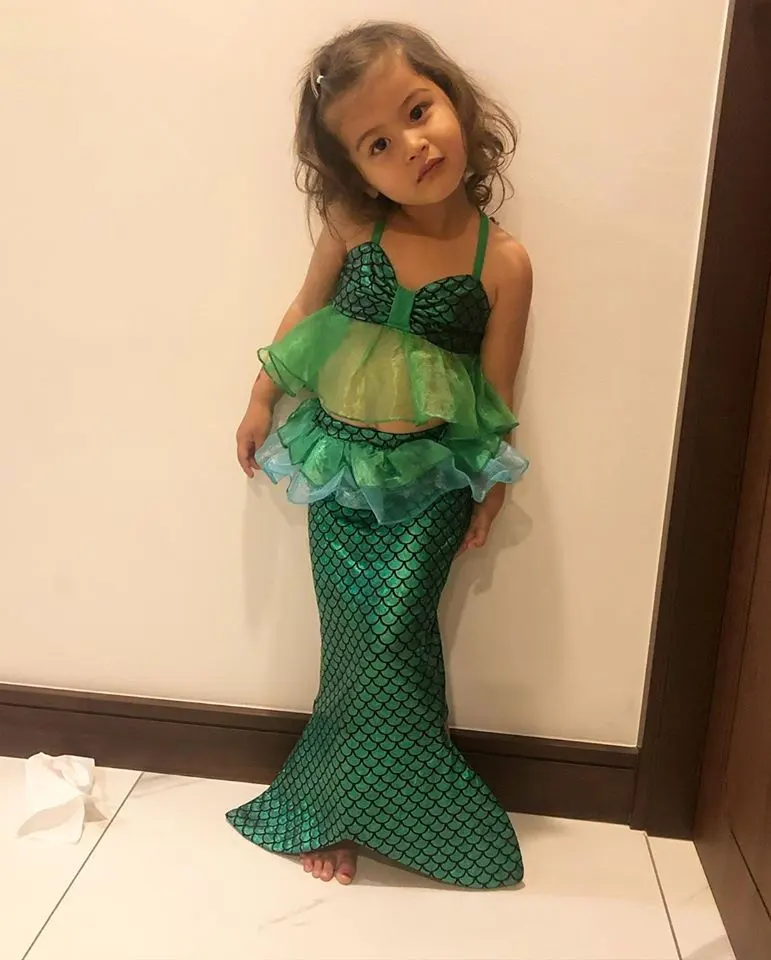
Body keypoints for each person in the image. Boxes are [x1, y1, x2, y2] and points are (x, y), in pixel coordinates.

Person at [227, 20, 532, 889]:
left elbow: (495, 391)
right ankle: (327, 808)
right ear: (357, 172)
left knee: (397, 640)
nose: (411, 145)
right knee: (353, 646)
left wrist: (492, 486)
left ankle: (410, 812)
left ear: (455, 101)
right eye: (377, 143)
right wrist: (259, 396)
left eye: (417, 111)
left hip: (430, 485)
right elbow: (303, 315)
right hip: (338, 471)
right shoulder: (352, 226)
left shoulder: (504, 261)